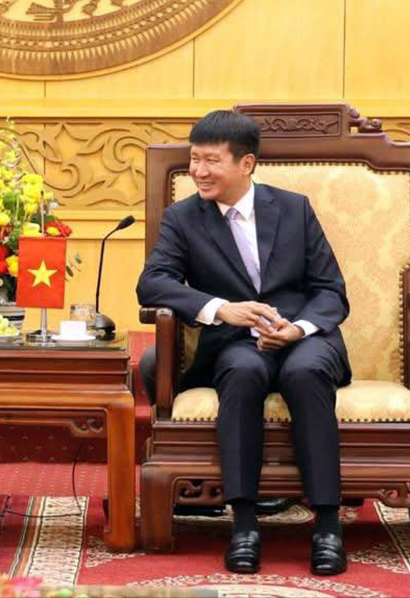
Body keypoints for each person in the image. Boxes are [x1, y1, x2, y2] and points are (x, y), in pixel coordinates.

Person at [136, 110, 350, 576]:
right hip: (235, 341)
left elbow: (331, 290)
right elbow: (152, 283)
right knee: (242, 371)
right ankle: (245, 523)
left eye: (211, 161)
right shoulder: (183, 218)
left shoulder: (293, 209)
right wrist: (221, 308)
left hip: (302, 337)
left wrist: (297, 328)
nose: (198, 171)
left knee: (306, 371)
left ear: (246, 163)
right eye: (194, 159)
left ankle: (328, 525)